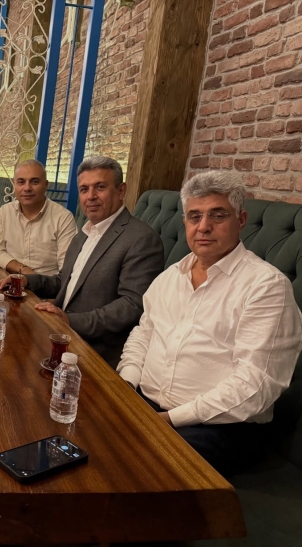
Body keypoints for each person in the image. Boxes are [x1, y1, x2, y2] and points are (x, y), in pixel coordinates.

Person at [117, 171, 302, 476]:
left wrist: (169, 419)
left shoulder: (267, 287)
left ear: (241, 220)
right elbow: (144, 334)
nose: (204, 226)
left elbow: (256, 384)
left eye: (218, 215)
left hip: (218, 426)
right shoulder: (170, 277)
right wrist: (125, 386)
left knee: (129, 463)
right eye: (195, 216)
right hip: (147, 403)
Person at [0, 156, 164, 368]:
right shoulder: (84, 234)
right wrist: (25, 280)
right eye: (84, 189)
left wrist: (69, 321)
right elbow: (64, 282)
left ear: (121, 191)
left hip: (95, 352)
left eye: (100, 187)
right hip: (61, 337)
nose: (91, 196)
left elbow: (133, 305)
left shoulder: (140, 238)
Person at [0, 159, 77, 275]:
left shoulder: (63, 218)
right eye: (21, 182)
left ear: (45, 185)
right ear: (14, 185)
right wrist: (24, 270)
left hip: (46, 285)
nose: (27, 188)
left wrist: (35, 280)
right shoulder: (5, 212)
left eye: (34, 182)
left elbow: (66, 268)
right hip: (9, 281)